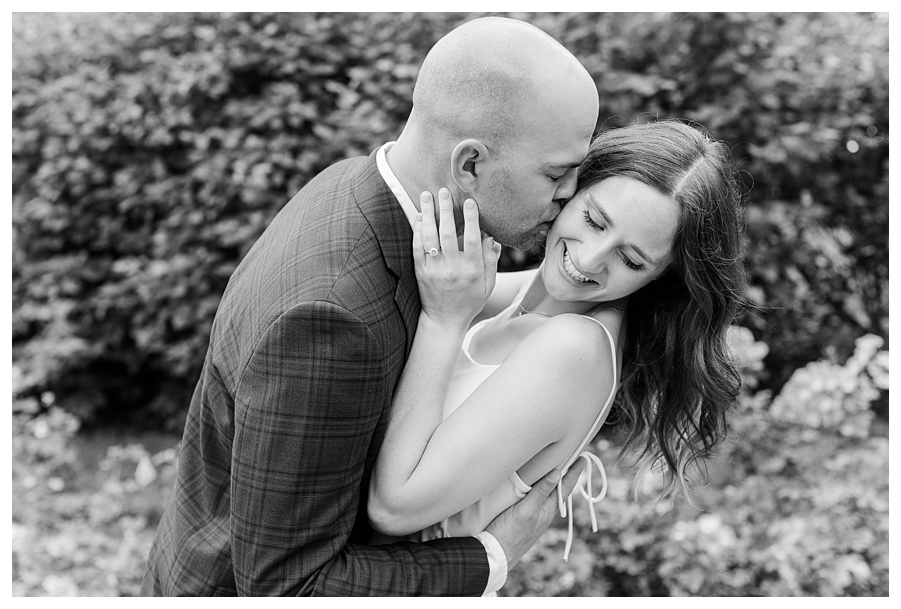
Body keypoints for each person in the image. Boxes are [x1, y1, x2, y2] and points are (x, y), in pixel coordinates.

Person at [142, 16, 599, 596]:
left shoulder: (352, 187)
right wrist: (494, 556)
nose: (569, 193)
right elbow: (289, 587)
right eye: (557, 172)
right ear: (470, 165)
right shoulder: (333, 321)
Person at [367, 119, 746, 572]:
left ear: (660, 278)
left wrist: (443, 323)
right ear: (571, 187)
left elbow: (394, 508)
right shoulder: (537, 296)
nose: (587, 259)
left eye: (630, 259)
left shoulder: (575, 348)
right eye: (593, 220)